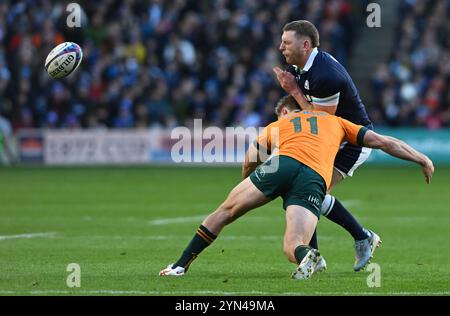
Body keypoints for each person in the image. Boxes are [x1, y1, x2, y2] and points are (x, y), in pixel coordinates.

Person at [159, 95, 434, 279]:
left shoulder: (282, 121)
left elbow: (252, 157)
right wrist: (420, 158)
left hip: (282, 165)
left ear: (290, 109)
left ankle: (179, 265)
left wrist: (247, 184)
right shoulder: (338, 123)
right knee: (293, 245)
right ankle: (308, 255)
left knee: (225, 212)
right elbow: (384, 142)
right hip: (315, 177)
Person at [273, 20, 381, 271]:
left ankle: (359, 238)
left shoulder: (325, 75)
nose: (281, 47)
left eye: (286, 42)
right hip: (333, 140)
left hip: (353, 141)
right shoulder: (303, 67)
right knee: (302, 191)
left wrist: (294, 90)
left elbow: (321, 122)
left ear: (306, 44)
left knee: (307, 193)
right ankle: (315, 256)